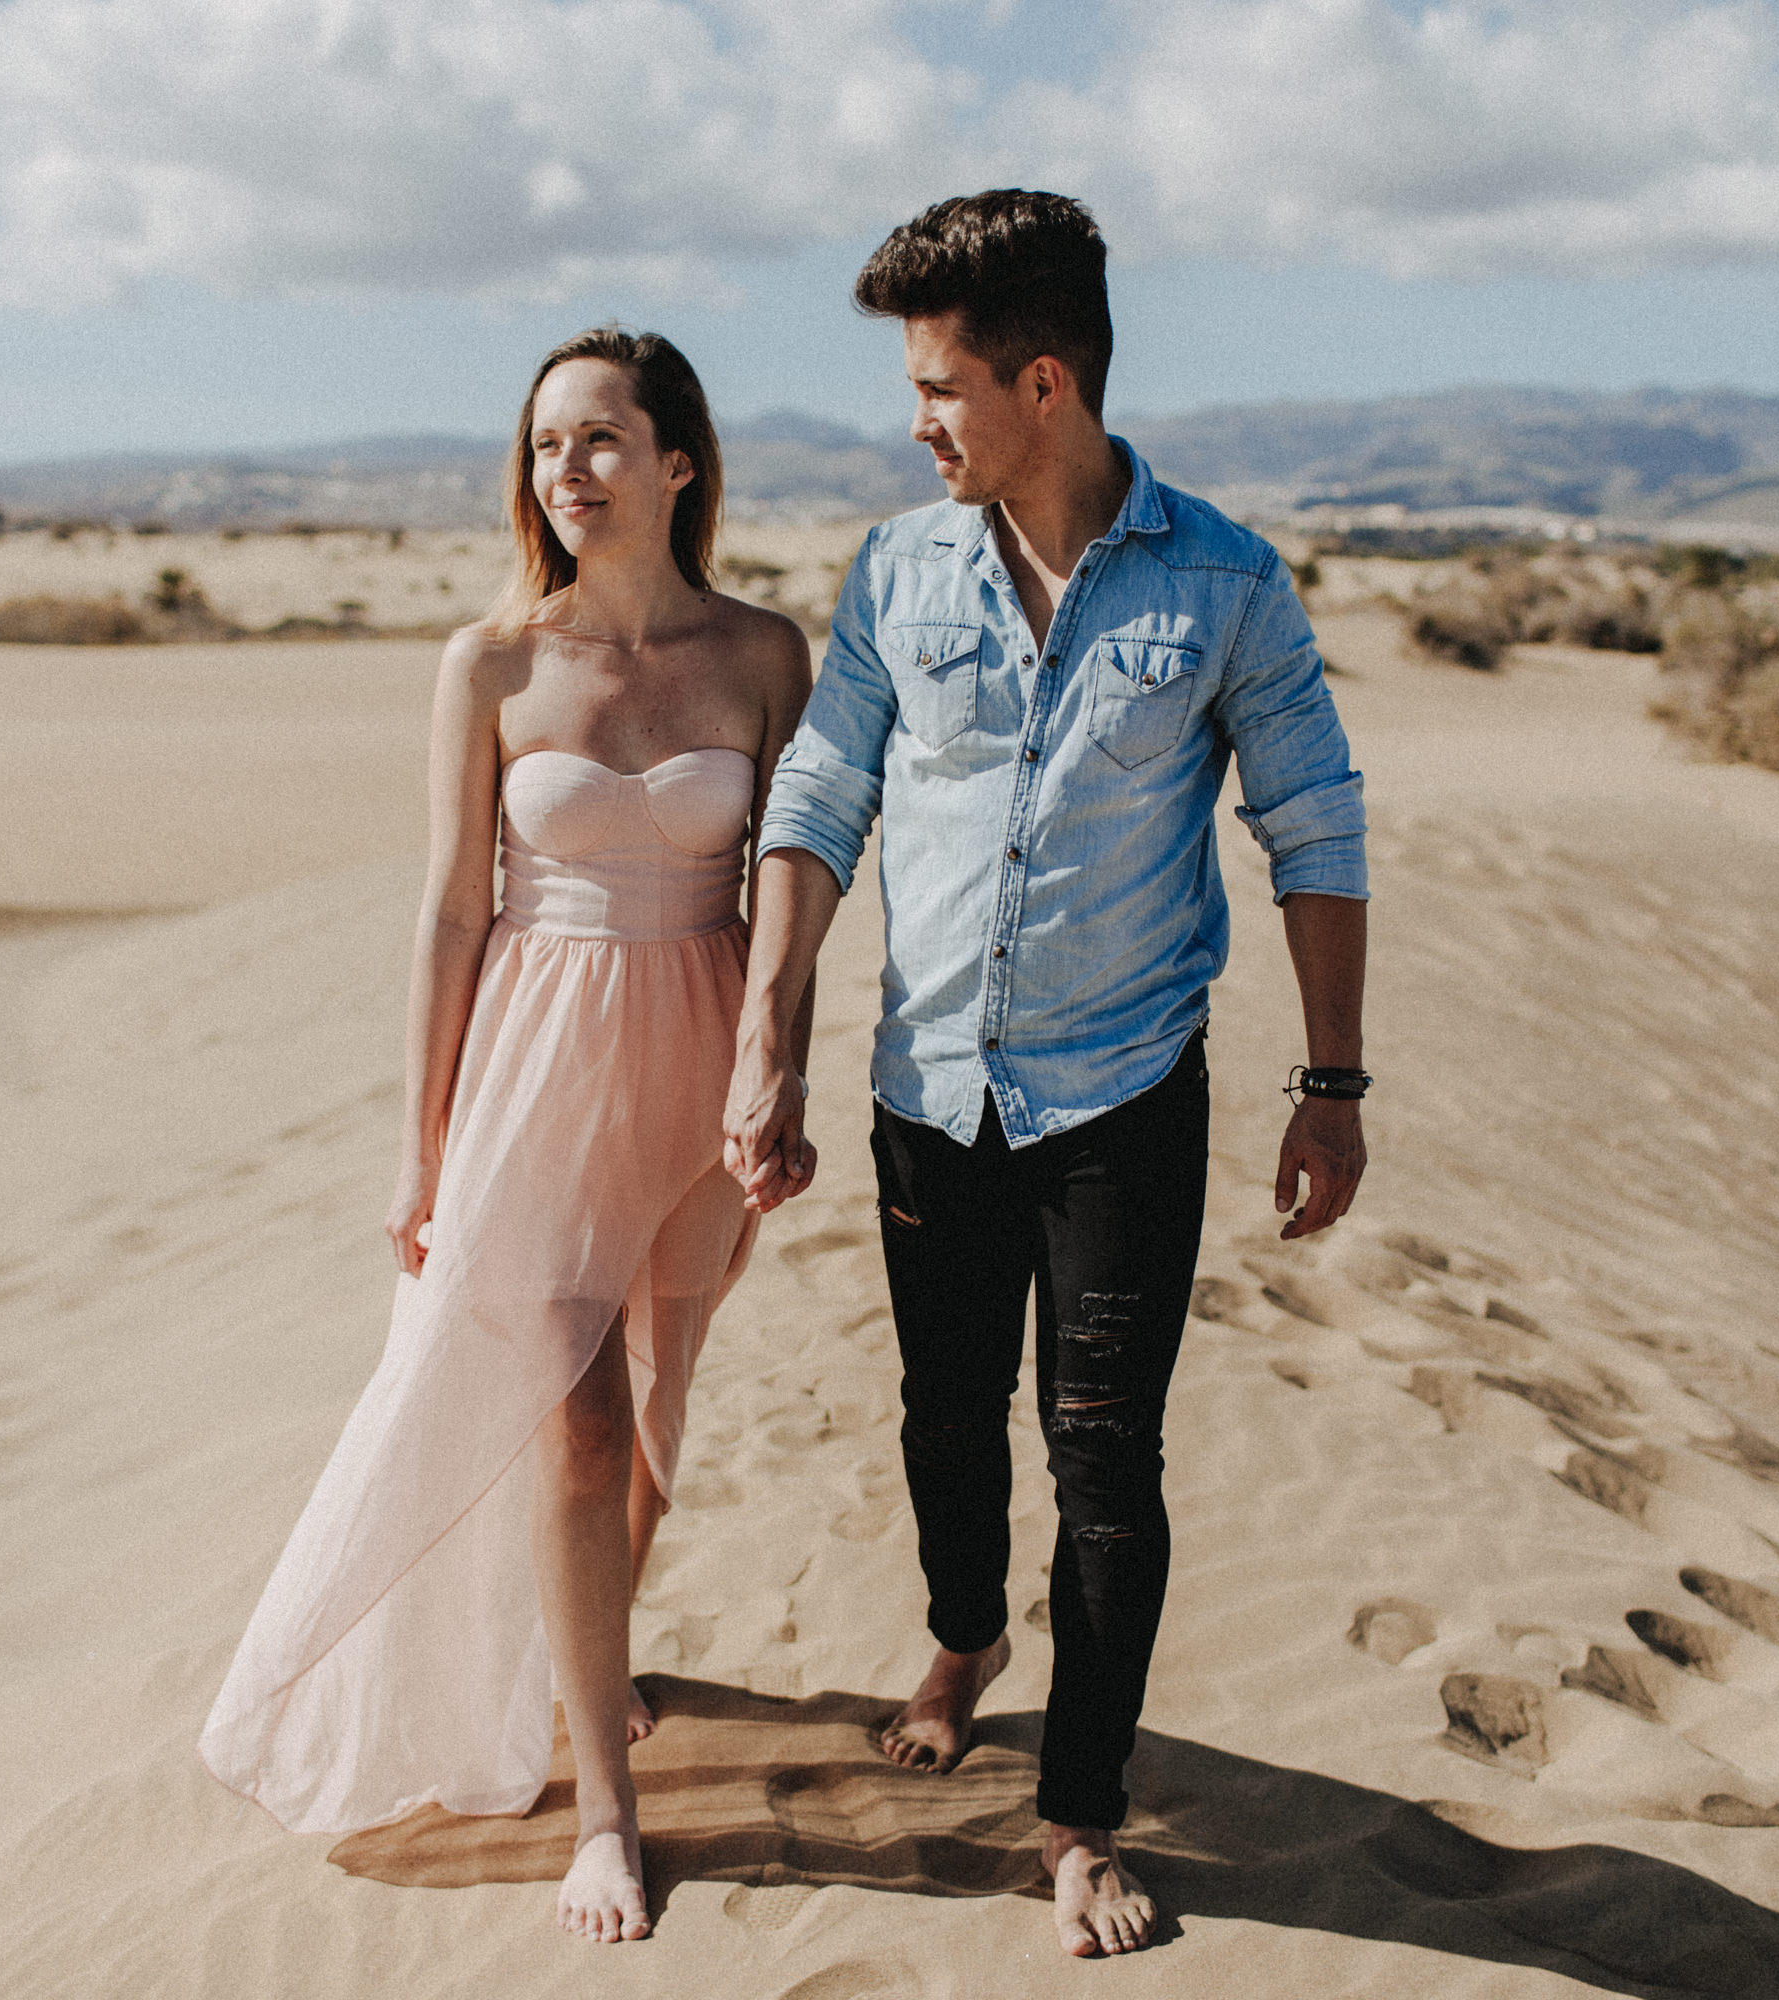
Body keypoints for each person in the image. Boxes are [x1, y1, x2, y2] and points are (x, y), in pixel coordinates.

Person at [722, 191, 1370, 1959]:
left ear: (1049, 381)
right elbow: (821, 797)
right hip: (929, 1086)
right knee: (946, 1416)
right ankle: (964, 1629)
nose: (915, 420)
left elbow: (1312, 824)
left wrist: (1336, 1080)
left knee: (1108, 1464)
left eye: (940, 387)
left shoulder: (1223, 581)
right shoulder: (896, 569)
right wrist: (771, 1023)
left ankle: (1079, 1815)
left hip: (1124, 1098)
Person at [202, 326, 816, 1946]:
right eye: (548, 445)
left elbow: (786, 903)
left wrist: (780, 1074)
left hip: (695, 1076)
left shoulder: (764, 654)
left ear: (679, 461)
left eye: (603, 439)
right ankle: (604, 1819)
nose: (568, 470)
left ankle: (578, 1670)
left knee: (660, 1428)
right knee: (578, 1428)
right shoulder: (488, 665)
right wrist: (420, 1146)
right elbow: (450, 917)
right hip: (532, 1077)